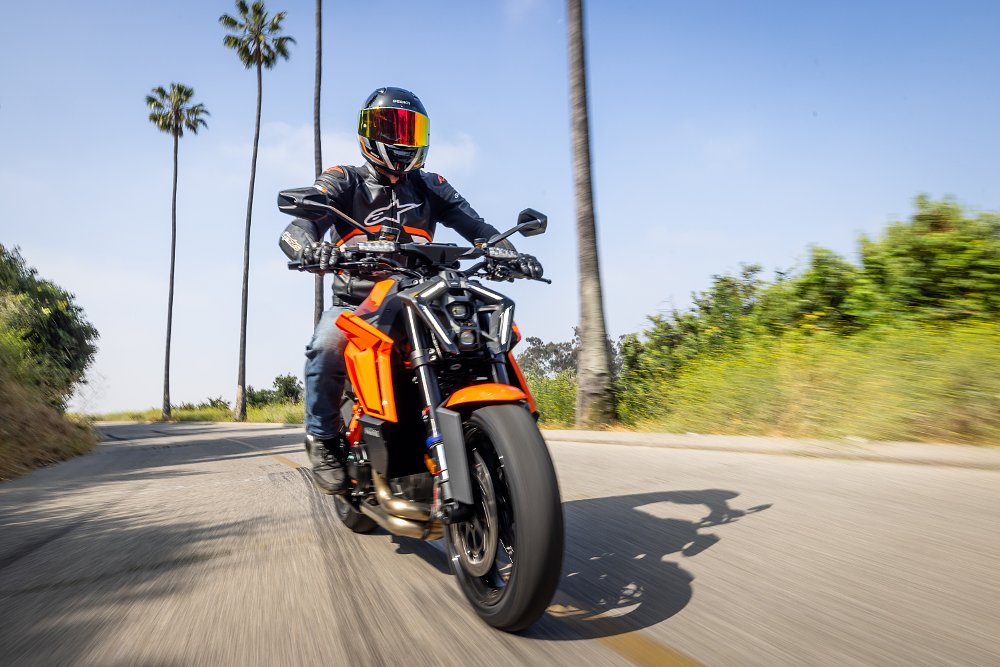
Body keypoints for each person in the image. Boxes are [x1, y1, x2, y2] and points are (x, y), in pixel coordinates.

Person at [278, 86, 542, 494]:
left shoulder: (431, 185)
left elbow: (480, 230)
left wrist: (509, 253)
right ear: (368, 131)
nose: (401, 140)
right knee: (326, 342)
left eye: (410, 130)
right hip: (361, 303)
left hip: (425, 295)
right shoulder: (343, 180)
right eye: (391, 128)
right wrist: (309, 247)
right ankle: (324, 440)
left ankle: (515, 426)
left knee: (488, 330)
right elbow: (303, 224)